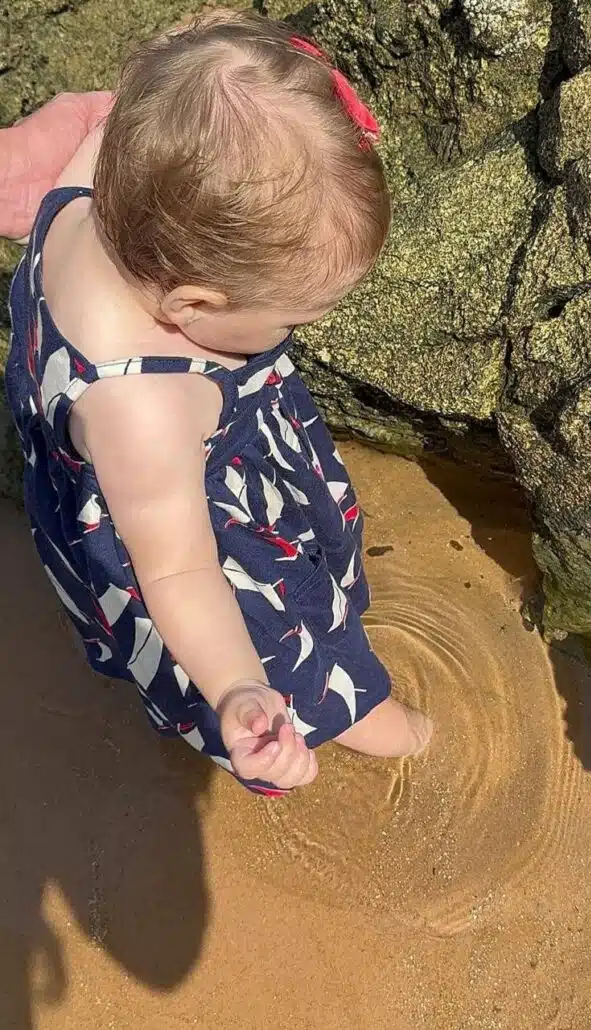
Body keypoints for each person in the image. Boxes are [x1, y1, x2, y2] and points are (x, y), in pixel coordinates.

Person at [3, 10, 433, 797]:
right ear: (194, 306)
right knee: (291, 656)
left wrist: (213, 52)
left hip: (142, 471)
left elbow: (162, 91)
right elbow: (177, 570)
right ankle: (385, 729)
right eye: (294, 319)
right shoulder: (143, 407)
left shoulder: (106, 182)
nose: (305, 331)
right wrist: (239, 685)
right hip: (195, 537)